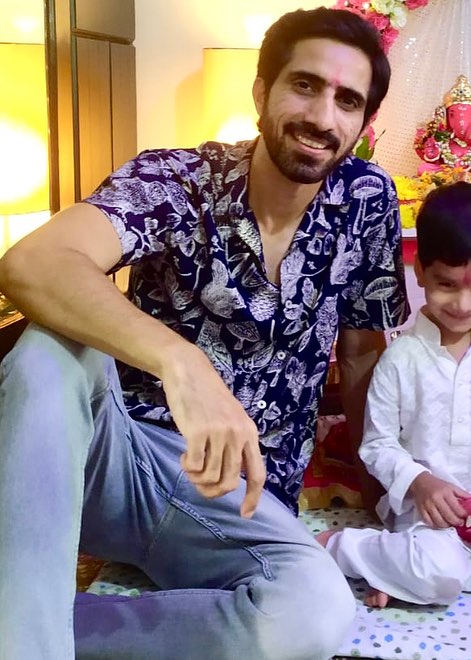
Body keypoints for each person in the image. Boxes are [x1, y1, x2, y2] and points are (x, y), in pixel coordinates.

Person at [0, 8, 409, 659]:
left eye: (347, 100)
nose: (321, 116)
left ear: (364, 123)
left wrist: (381, 501)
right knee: (46, 354)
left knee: (315, 612)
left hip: (240, 500)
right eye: (304, 85)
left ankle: (36, 625)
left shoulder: (368, 201)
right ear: (261, 92)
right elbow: (31, 262)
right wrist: (182, 364)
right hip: (123, 458)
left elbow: (362, 356)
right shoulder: (177, 179)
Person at [316, 182, 471, 608]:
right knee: (438, 571)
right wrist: (421, 484)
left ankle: (392, 572)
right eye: (446, 284)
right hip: (429, 520)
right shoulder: (400, 359)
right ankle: (344, 547)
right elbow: (378, 444)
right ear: (420, 271)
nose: (463, 304)